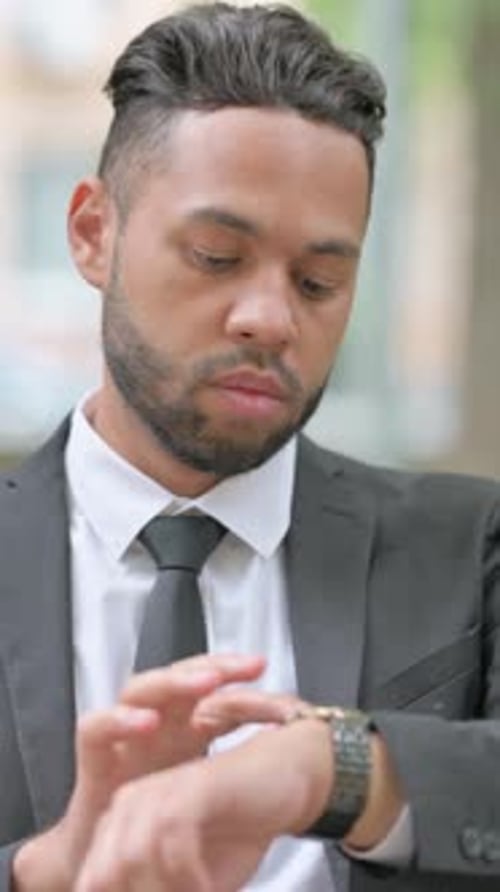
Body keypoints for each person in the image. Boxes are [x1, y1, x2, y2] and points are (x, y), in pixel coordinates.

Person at [1, 2, 500, 890]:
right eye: (216, 257)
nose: (269, 318)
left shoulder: (470, 545)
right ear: (91, 233)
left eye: (318, 281)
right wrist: (41, 873)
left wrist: (337, 770)